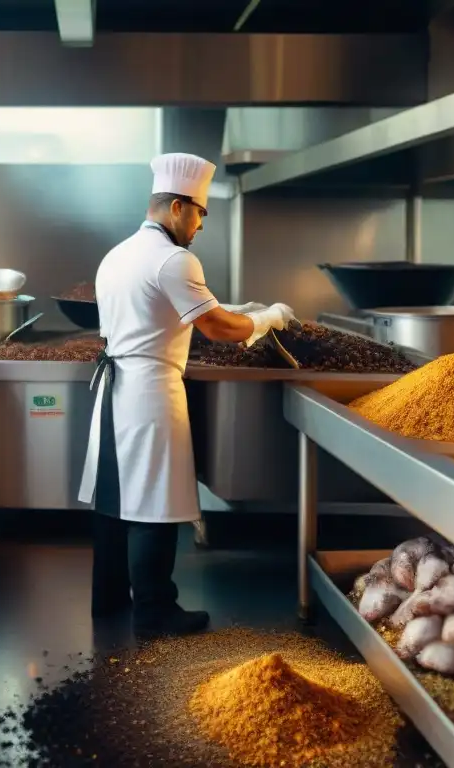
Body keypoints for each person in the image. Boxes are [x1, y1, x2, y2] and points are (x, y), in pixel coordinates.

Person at [79, 152, 298, 638]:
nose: (200, 225)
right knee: (153, 503)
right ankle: (155, 612)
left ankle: (109, 600)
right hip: (149, 391)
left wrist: (231, 308)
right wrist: (268, 319)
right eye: (199, 213)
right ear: (178, 207)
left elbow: (161, 310)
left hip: (114, 387)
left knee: (114, 499)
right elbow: (219, 328)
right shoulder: (175, 258)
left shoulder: (117, 255)